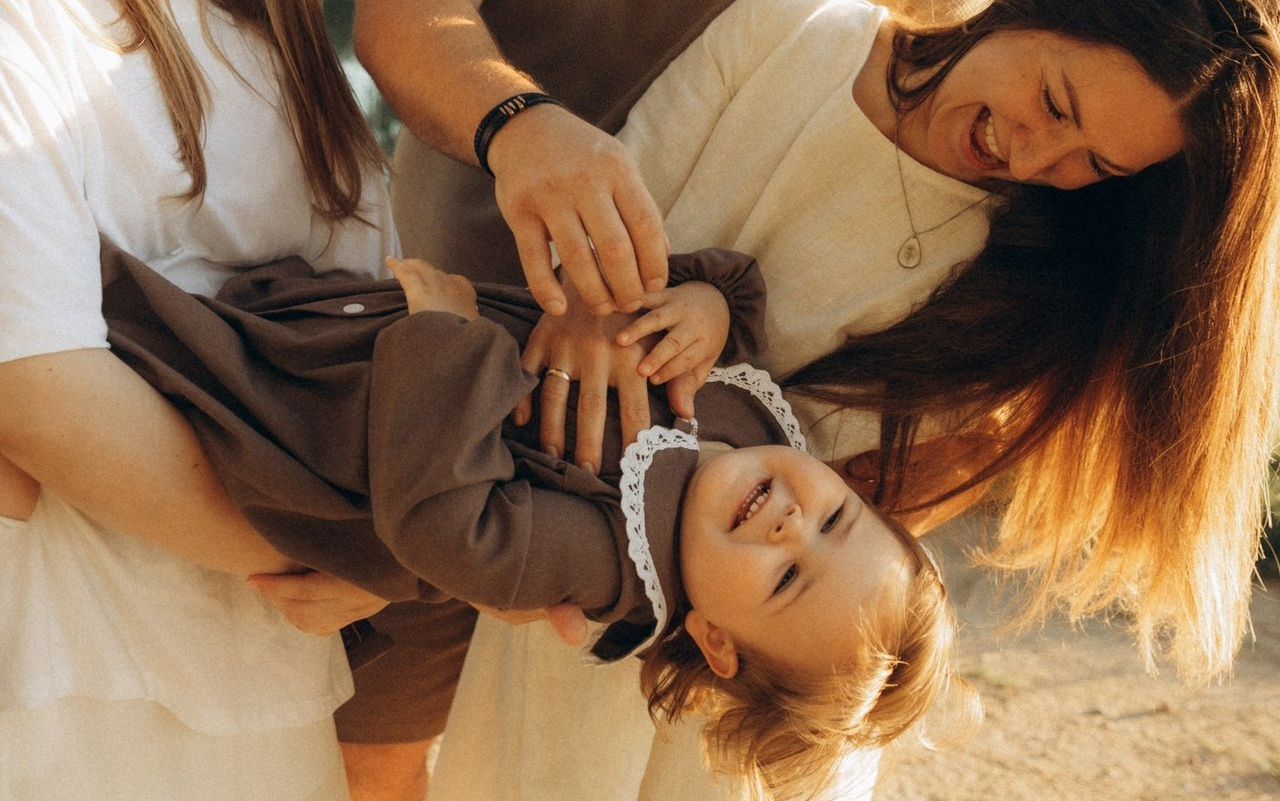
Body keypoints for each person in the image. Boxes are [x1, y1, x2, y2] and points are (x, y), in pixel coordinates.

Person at [349, 0, 996, 787]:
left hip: (714, 489)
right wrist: (515, 124)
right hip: (441, 400)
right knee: (374, 761)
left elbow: (949, 244)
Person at [428, 0, 1280, 800]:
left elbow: (871, 516)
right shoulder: (791, 31)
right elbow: (589, 252)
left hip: (772, 674)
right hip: (587, 577)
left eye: (1096, 164)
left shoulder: (1035, 282)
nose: (1036, 157)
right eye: (1054, 101)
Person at [98, 242, 978, 799]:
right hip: (350, 325)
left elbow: (447, 527)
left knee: (134, 335)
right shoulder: (754, 422)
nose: (794, 526)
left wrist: (449, 334)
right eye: (837, 520)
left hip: (332, 416)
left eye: (788, 580)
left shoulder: (608, 561)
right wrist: (707, 303)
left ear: (713, 639)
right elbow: (740, 287)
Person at [0, 0, 396, 800]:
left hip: (274, 679)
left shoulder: (279, 50)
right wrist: (344, 537)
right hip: (69, 673)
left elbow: (379, 325)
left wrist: (398, 547)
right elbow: (41, 392)